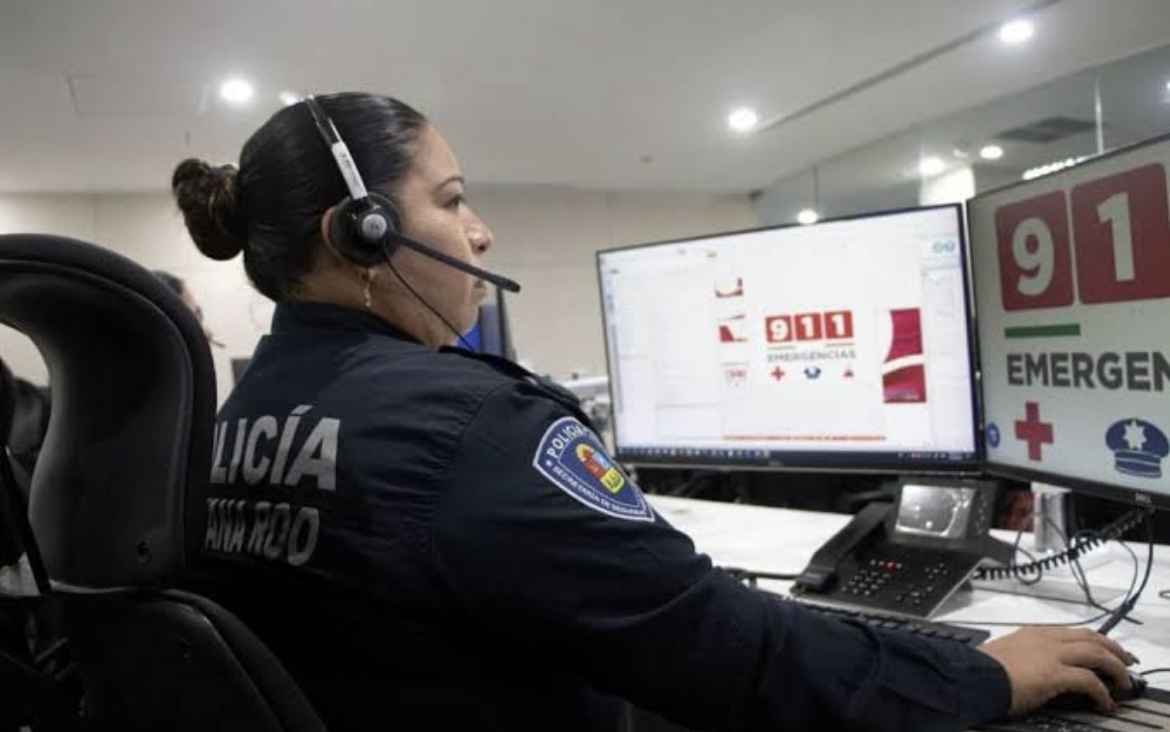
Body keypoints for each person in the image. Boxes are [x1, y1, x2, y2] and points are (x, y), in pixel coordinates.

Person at [172, 92, 1135, 732]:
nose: (481, 232)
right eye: (453, 201)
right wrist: (981, 675)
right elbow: (728, 652)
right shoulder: (473, 430)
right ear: (362, 232)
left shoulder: (237, 416)